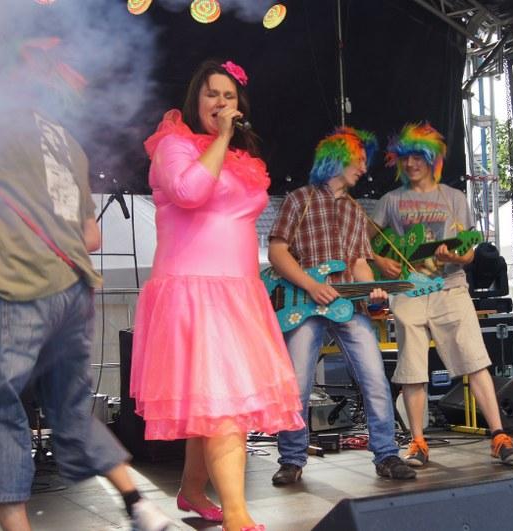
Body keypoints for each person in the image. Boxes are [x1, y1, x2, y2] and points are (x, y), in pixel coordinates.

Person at [0, 39, 174, 531]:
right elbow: (91, 235)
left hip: (18, 285)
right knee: (71, 409)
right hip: (73, 292)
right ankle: (140, 506)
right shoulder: (67, 143)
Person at [130, 59, 304, 531]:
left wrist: (226, 144)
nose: (221, 103)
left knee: (212, 400)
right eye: (212, 94)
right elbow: (189, 192)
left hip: (238, 293)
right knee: (224, 402)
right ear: (196, 99)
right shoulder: (174, 145)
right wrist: (223, 138)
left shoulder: (241, 159)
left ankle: (191, 490)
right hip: (193, 292)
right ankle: (237, 514)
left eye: (230, 96)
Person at [267, 127, 417, 486]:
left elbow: (360, 263)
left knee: (375, 378)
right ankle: (291, 459)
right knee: (296, 384)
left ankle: (386, 454)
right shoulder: (299, 199)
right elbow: (277, 251)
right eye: (359, 160)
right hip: (305, 303)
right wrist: (311, 285)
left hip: (348, 306)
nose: (364, 168)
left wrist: (372, 292)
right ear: (337, 157)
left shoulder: (354, 210)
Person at [371, 122, 513, 466]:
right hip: (408, 291)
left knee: (475, 361)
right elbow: (368, 244)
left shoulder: (454, 198)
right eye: (405, 158)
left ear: (432, 159)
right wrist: (382, 262)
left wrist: (454, 257)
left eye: (418, 157)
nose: (411, 164)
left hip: (451, 288)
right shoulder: (390, 201)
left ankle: (499, 436)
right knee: (412, 369)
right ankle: (417, 442)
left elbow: (468, 253)